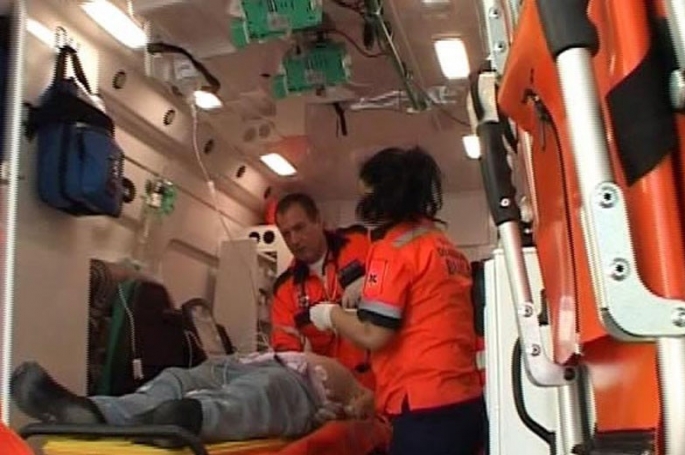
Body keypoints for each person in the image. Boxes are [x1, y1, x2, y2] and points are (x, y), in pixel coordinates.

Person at [308, 146, 486, 455]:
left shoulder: (393, 248)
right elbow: (426, 330)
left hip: (425, 413)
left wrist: (329, 314)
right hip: (465, 403)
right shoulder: (444, 246)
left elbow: (373, 333)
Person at [10, 352, 375, 446]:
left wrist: (350, 410)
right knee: (175, 378)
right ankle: (93, 411)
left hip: (301, 384)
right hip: (237, 362)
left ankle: (189, 417)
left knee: (265, 392)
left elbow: (372, 409)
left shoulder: (368, 374)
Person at [271, 192, 374, 389]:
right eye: (286, 234)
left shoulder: (360, 242)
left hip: (384, 381)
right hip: (334, 391)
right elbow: (286, 353)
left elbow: (401, 276)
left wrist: (372, 282)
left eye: (299, 228)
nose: (294, 240)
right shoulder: (285, 290)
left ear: (318, 220)